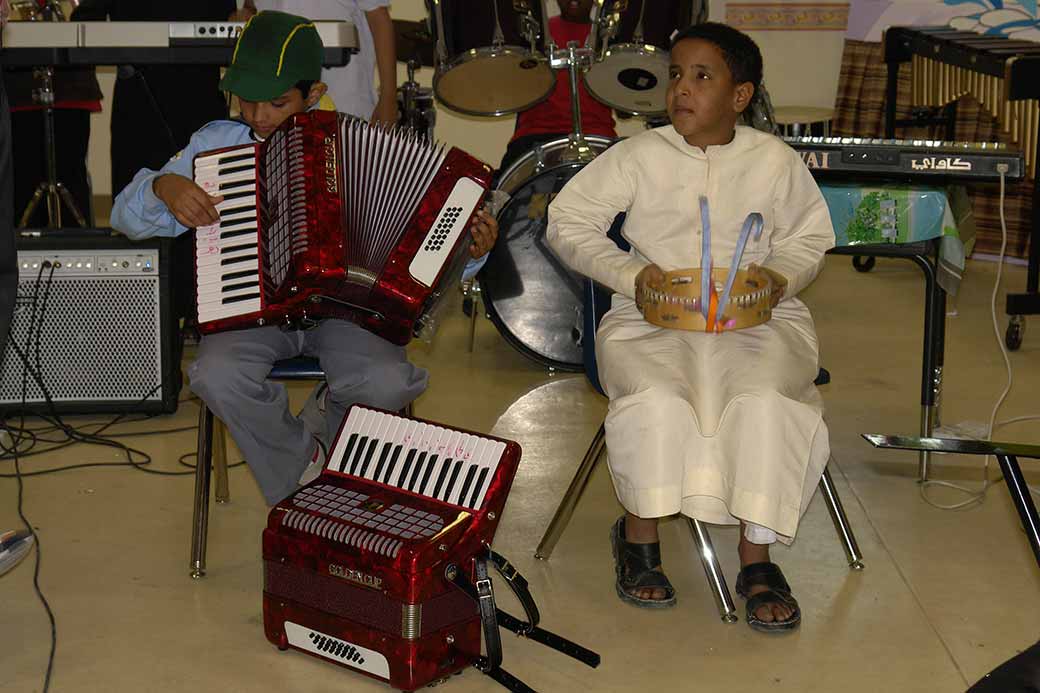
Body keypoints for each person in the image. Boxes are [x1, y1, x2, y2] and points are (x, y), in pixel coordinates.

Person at [109, 11, 498, 506]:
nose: (257, 116)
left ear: (312, 94)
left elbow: (421, 262)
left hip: (346, 311)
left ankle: (328, 464)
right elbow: (125, 215)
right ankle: (311, 476)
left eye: (276, 103)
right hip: (250, 307)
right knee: (214, 375)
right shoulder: (216, 146)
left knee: (383, 382)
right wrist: (164, 187)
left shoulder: (356, 143)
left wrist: (471, 254)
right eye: (245, 101)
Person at [546, 23, 834, 631]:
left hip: (759, 318)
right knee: (657, 396)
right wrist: (631, 275)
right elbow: (567, 221)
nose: (682, 88)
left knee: (762, 398)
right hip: (651, 317)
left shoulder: (774, 161)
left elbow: (810, 238)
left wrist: (779, 276)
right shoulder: (640, 154)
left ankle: (755, 558)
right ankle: (638, 536)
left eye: (703, 76)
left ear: (740, 96)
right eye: (677, 74)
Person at [498, 0, 616, 176]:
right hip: (535, 137)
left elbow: (625, 109)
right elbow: (511, 89)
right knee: (501, 198)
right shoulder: (533, 35)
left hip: (597, 137)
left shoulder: (607, 39)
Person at [236, 0, 397, 125]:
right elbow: (251, 6)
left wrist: (388, 97)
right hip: (279, 97)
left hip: (344, 91)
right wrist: (246, 13)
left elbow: (379, 19)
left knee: (345, 157)